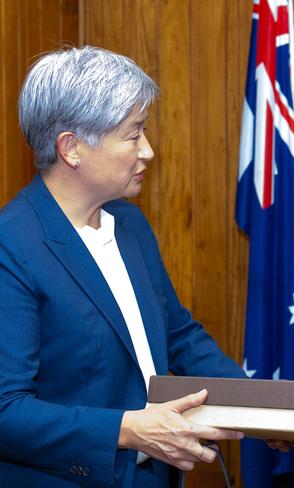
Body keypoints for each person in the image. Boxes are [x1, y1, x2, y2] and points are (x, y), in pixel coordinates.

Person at [0, 46, 249, 487]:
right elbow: (7, 409)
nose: (148, 151)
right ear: (72, 148)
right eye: (133, 135)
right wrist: (128, 430)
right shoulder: (12, 245)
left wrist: (277, 407)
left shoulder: (130, 224)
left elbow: (179, 337)